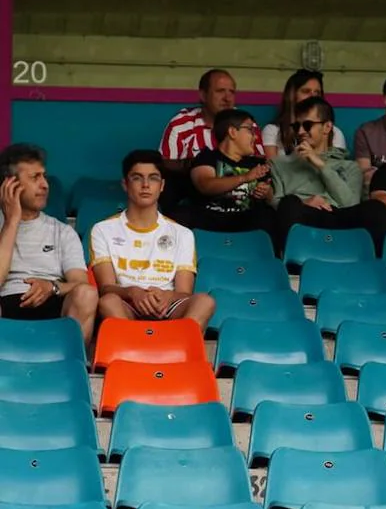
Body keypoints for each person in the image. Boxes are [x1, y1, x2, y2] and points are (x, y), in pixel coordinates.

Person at [91, 151, 215, 330]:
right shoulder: (102, 229)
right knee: (108, 302)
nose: (146, 185)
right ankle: (134, 351)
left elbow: (184, 292)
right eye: (137, 178)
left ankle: (179, 351)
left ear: (162, 185)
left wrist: (167, 296)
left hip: (168, 306)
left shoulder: (182, 233)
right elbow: (106, 288)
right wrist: (133, 292)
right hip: (127, 305)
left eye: (153, 178)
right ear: (125, 184)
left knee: (205, 301)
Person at [0, 143, 98, 342]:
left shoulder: (62, 231)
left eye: (44, 176)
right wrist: (11, 222)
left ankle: (70, 363)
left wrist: (52, 287)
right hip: (6, 303)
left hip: (53, 304)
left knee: (86, 294)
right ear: (10, 184)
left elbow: (81, 283)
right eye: (35, 177)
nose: (45, 184)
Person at [271, 97, 386, 255]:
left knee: (376, 208)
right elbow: (276, 205)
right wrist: (303, 202)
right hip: (306, 219)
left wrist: (320, 165)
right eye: (296, 126)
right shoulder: (280, 165)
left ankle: (372, 267)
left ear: (327, 127)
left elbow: (349, 203)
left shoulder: (349, 167)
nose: (300, 132)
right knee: (289, 203)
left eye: (307, 125)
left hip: (341, 218)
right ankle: (295, 264)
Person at [181, 109, 278, 235]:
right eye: (250, 130)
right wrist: (244, 177)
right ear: (232, 132)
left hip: (246, 223)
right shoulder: (206, 157)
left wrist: (265, 192)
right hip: (211, 221)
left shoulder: (256, 163)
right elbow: (205, 185)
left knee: (267, 216)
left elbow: (271, 196)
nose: (255, 136)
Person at [158, 68, 261, 167]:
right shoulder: (181, 124)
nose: (227, 98)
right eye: (220, 91)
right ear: (203, 95)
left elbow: (261, 163)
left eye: (232, 92)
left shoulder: (247, 124)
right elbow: (165, 165)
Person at [263, 69, 347, 158]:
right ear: (292, 95)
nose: (313, 96)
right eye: (306, 91)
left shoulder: (334, 132)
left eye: (317, 92)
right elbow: (272, 169)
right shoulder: (273, 131)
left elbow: (338, 169)